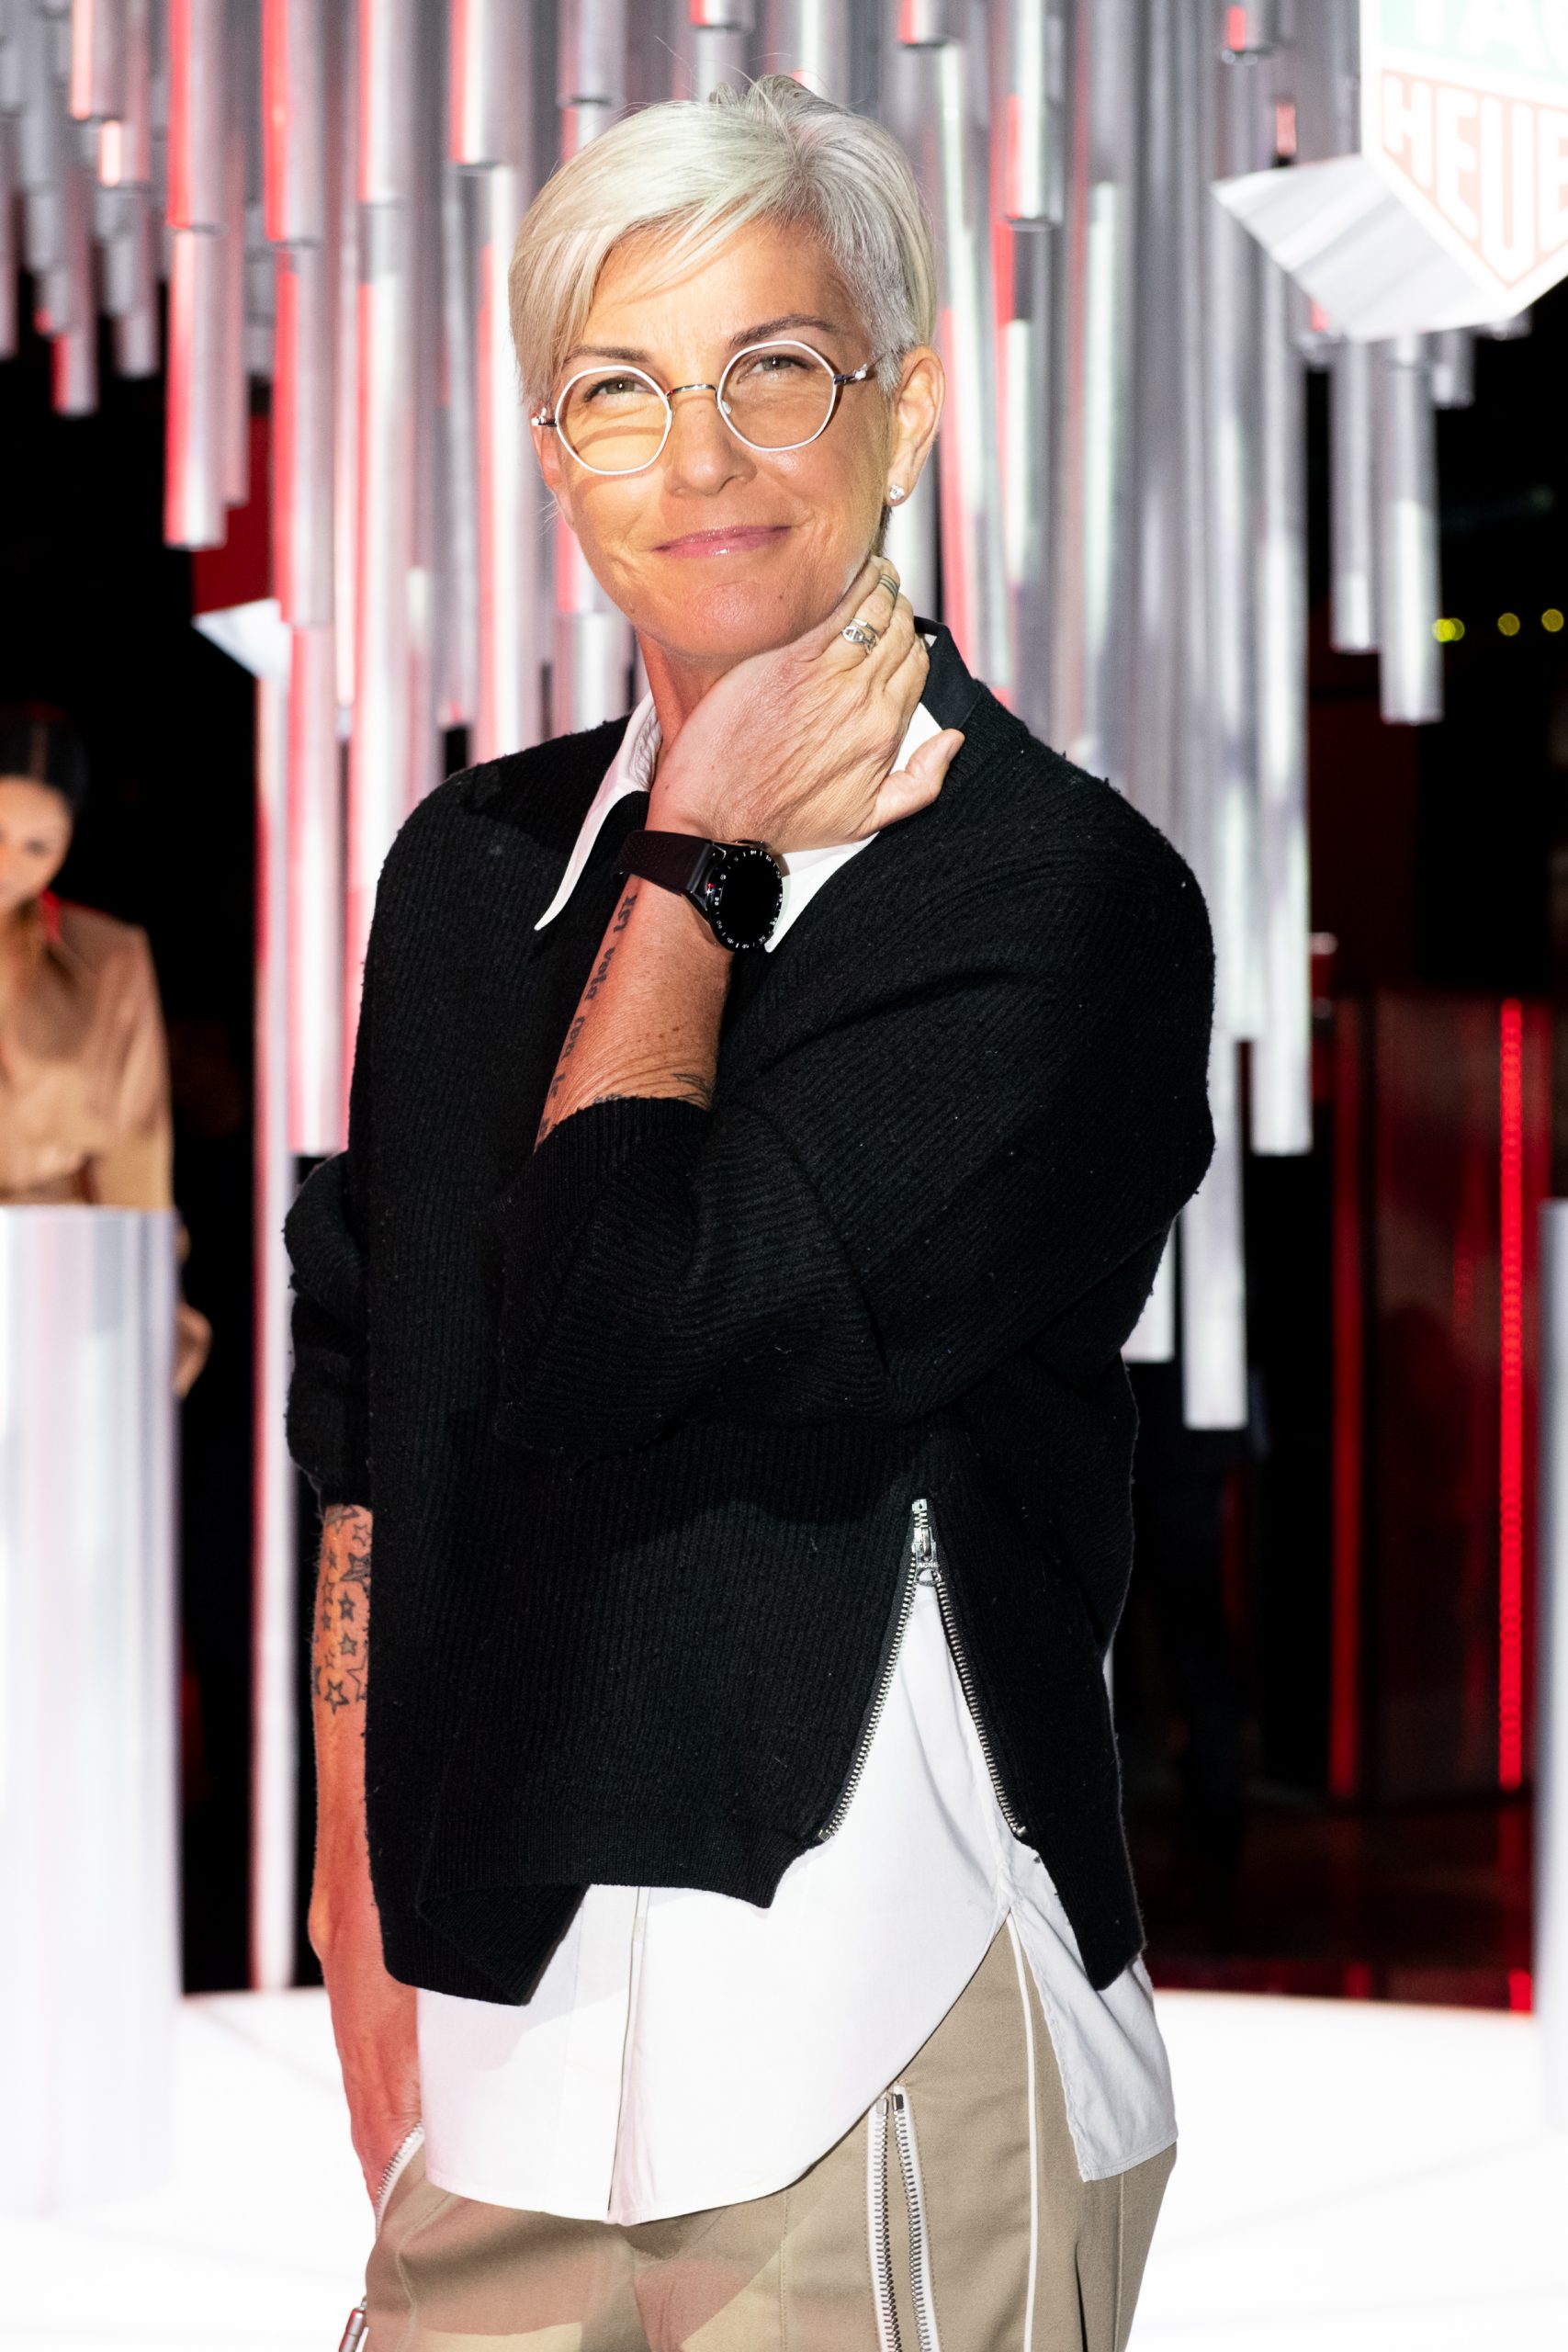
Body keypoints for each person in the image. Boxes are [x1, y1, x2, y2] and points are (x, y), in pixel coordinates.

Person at [287, 78, 1213, 2352]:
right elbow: (376, 1376)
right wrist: (350, 1862)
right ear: (551, 452)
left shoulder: (1049, 898)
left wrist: (697, 857)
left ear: (905, 405)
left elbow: (623, 1313)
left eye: (771, 370)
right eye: (619, 391)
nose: (696, 457)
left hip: (874, 2040)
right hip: (507, 2034)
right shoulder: (470, 869)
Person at [0, 705, 209, 1395]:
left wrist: (152, 1302)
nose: (8, 865)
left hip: (51, 1279)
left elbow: (136, 1156)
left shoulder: (108, 957)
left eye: (37, 845)